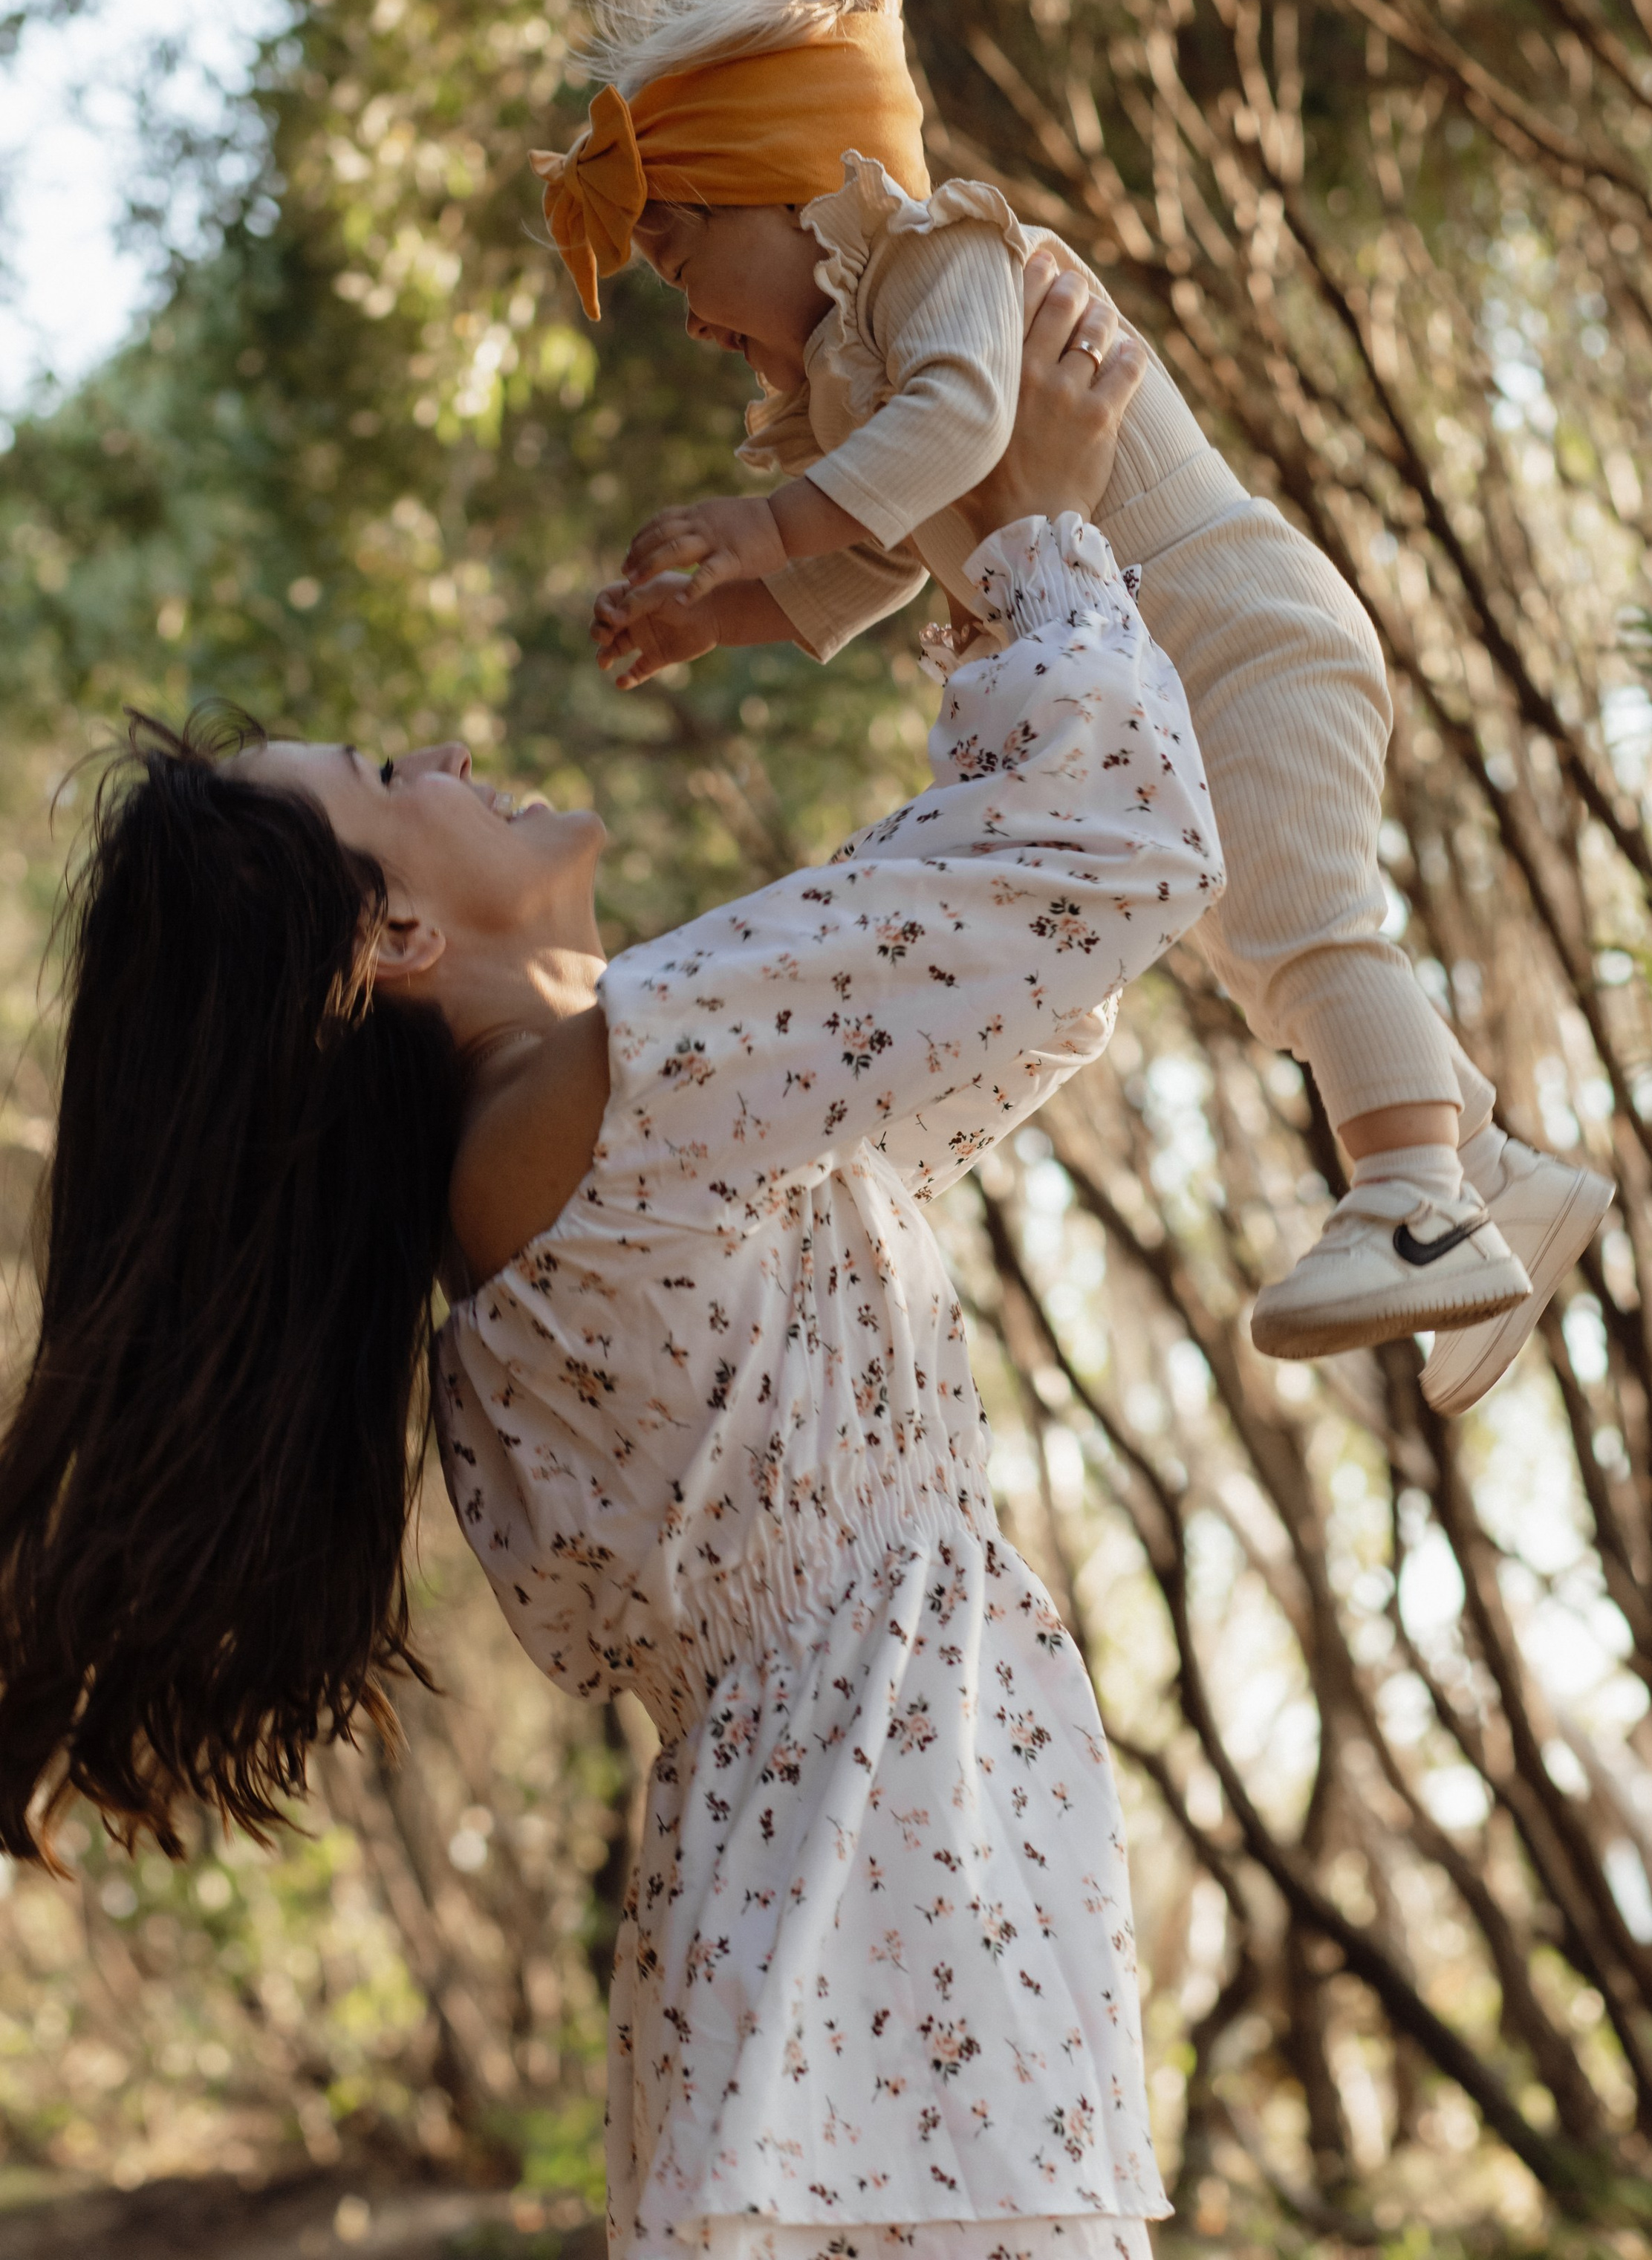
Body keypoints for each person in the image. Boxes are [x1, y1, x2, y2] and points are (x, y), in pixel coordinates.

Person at [0, 306, 1217, 2260]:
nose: (460, 750)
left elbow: (998, 999)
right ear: (392, 929)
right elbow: (1102, 852)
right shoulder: (610, 1090)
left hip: (834, 1918)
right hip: (882, 1915)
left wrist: (948, 554)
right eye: (403, 769)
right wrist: (1035, 534)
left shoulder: (548, 1184)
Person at [531, 0, 1610, 1415]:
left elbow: (969, 427)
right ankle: (1501, 1178)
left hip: (1231, 626)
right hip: (1167, 671)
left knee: (1303, 925)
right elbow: (886, 556)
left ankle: (1417, 1202)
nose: (688, 313)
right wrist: (723, 617)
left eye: (677, 254)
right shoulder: (851, 380)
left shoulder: (944, 258)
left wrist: (765, 520)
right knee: (1268, 966)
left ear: (788, 184)